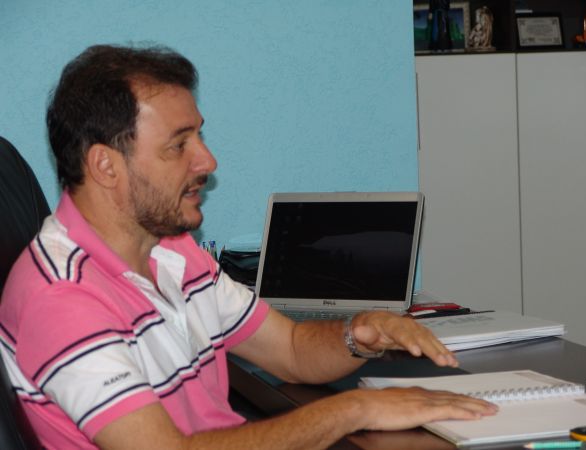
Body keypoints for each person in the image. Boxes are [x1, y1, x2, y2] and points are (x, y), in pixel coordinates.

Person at [0, 44, 497, 450]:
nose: (207, 161)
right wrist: (355, 409)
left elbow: (292, 350)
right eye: (179, 145)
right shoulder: (62, 298)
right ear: (105, 166)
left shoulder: (173, 251)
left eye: (199, 137)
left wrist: (358, 334)